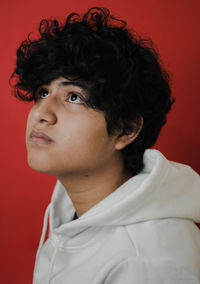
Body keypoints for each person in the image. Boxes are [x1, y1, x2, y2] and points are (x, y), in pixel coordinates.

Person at [11, 6, 200, 284]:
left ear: (125, 130)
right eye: (43, 92)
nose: (41, 113)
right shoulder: (72, 212)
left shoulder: (146, 261)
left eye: (74, 97)